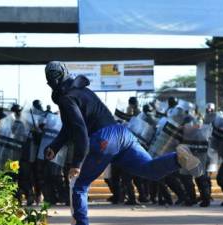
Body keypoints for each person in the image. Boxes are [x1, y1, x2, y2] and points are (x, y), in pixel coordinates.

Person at [43, 61, 202, 225]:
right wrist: (55, 146)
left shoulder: (66, 98)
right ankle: (178, 158)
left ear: (50, 83)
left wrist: (77, 163)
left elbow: (79, 130)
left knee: (79, 185)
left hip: (103, 138)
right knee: (150, 170)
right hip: (122, 134)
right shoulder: (82, 90)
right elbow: (70, 127)